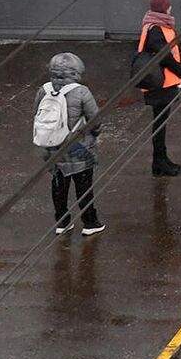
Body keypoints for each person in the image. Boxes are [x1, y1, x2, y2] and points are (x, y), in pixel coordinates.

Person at [36, 52, 104, 236]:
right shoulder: (81, 92)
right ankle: (90, 222)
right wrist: (95, 134)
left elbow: (37, 115)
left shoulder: (44, 90)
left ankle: (62, 221)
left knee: (59, 184)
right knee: (83, 186)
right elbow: (95, 120)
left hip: (53, 146)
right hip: (79, 147)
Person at [137, 0, 181, 177]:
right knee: (159, 124)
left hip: (161, 82)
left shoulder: (153, 26)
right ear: (165, 8)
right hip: (161, 84)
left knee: (160, 122)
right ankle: (159, 161)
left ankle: (161, 159)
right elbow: (164, 56)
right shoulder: (156, 29)